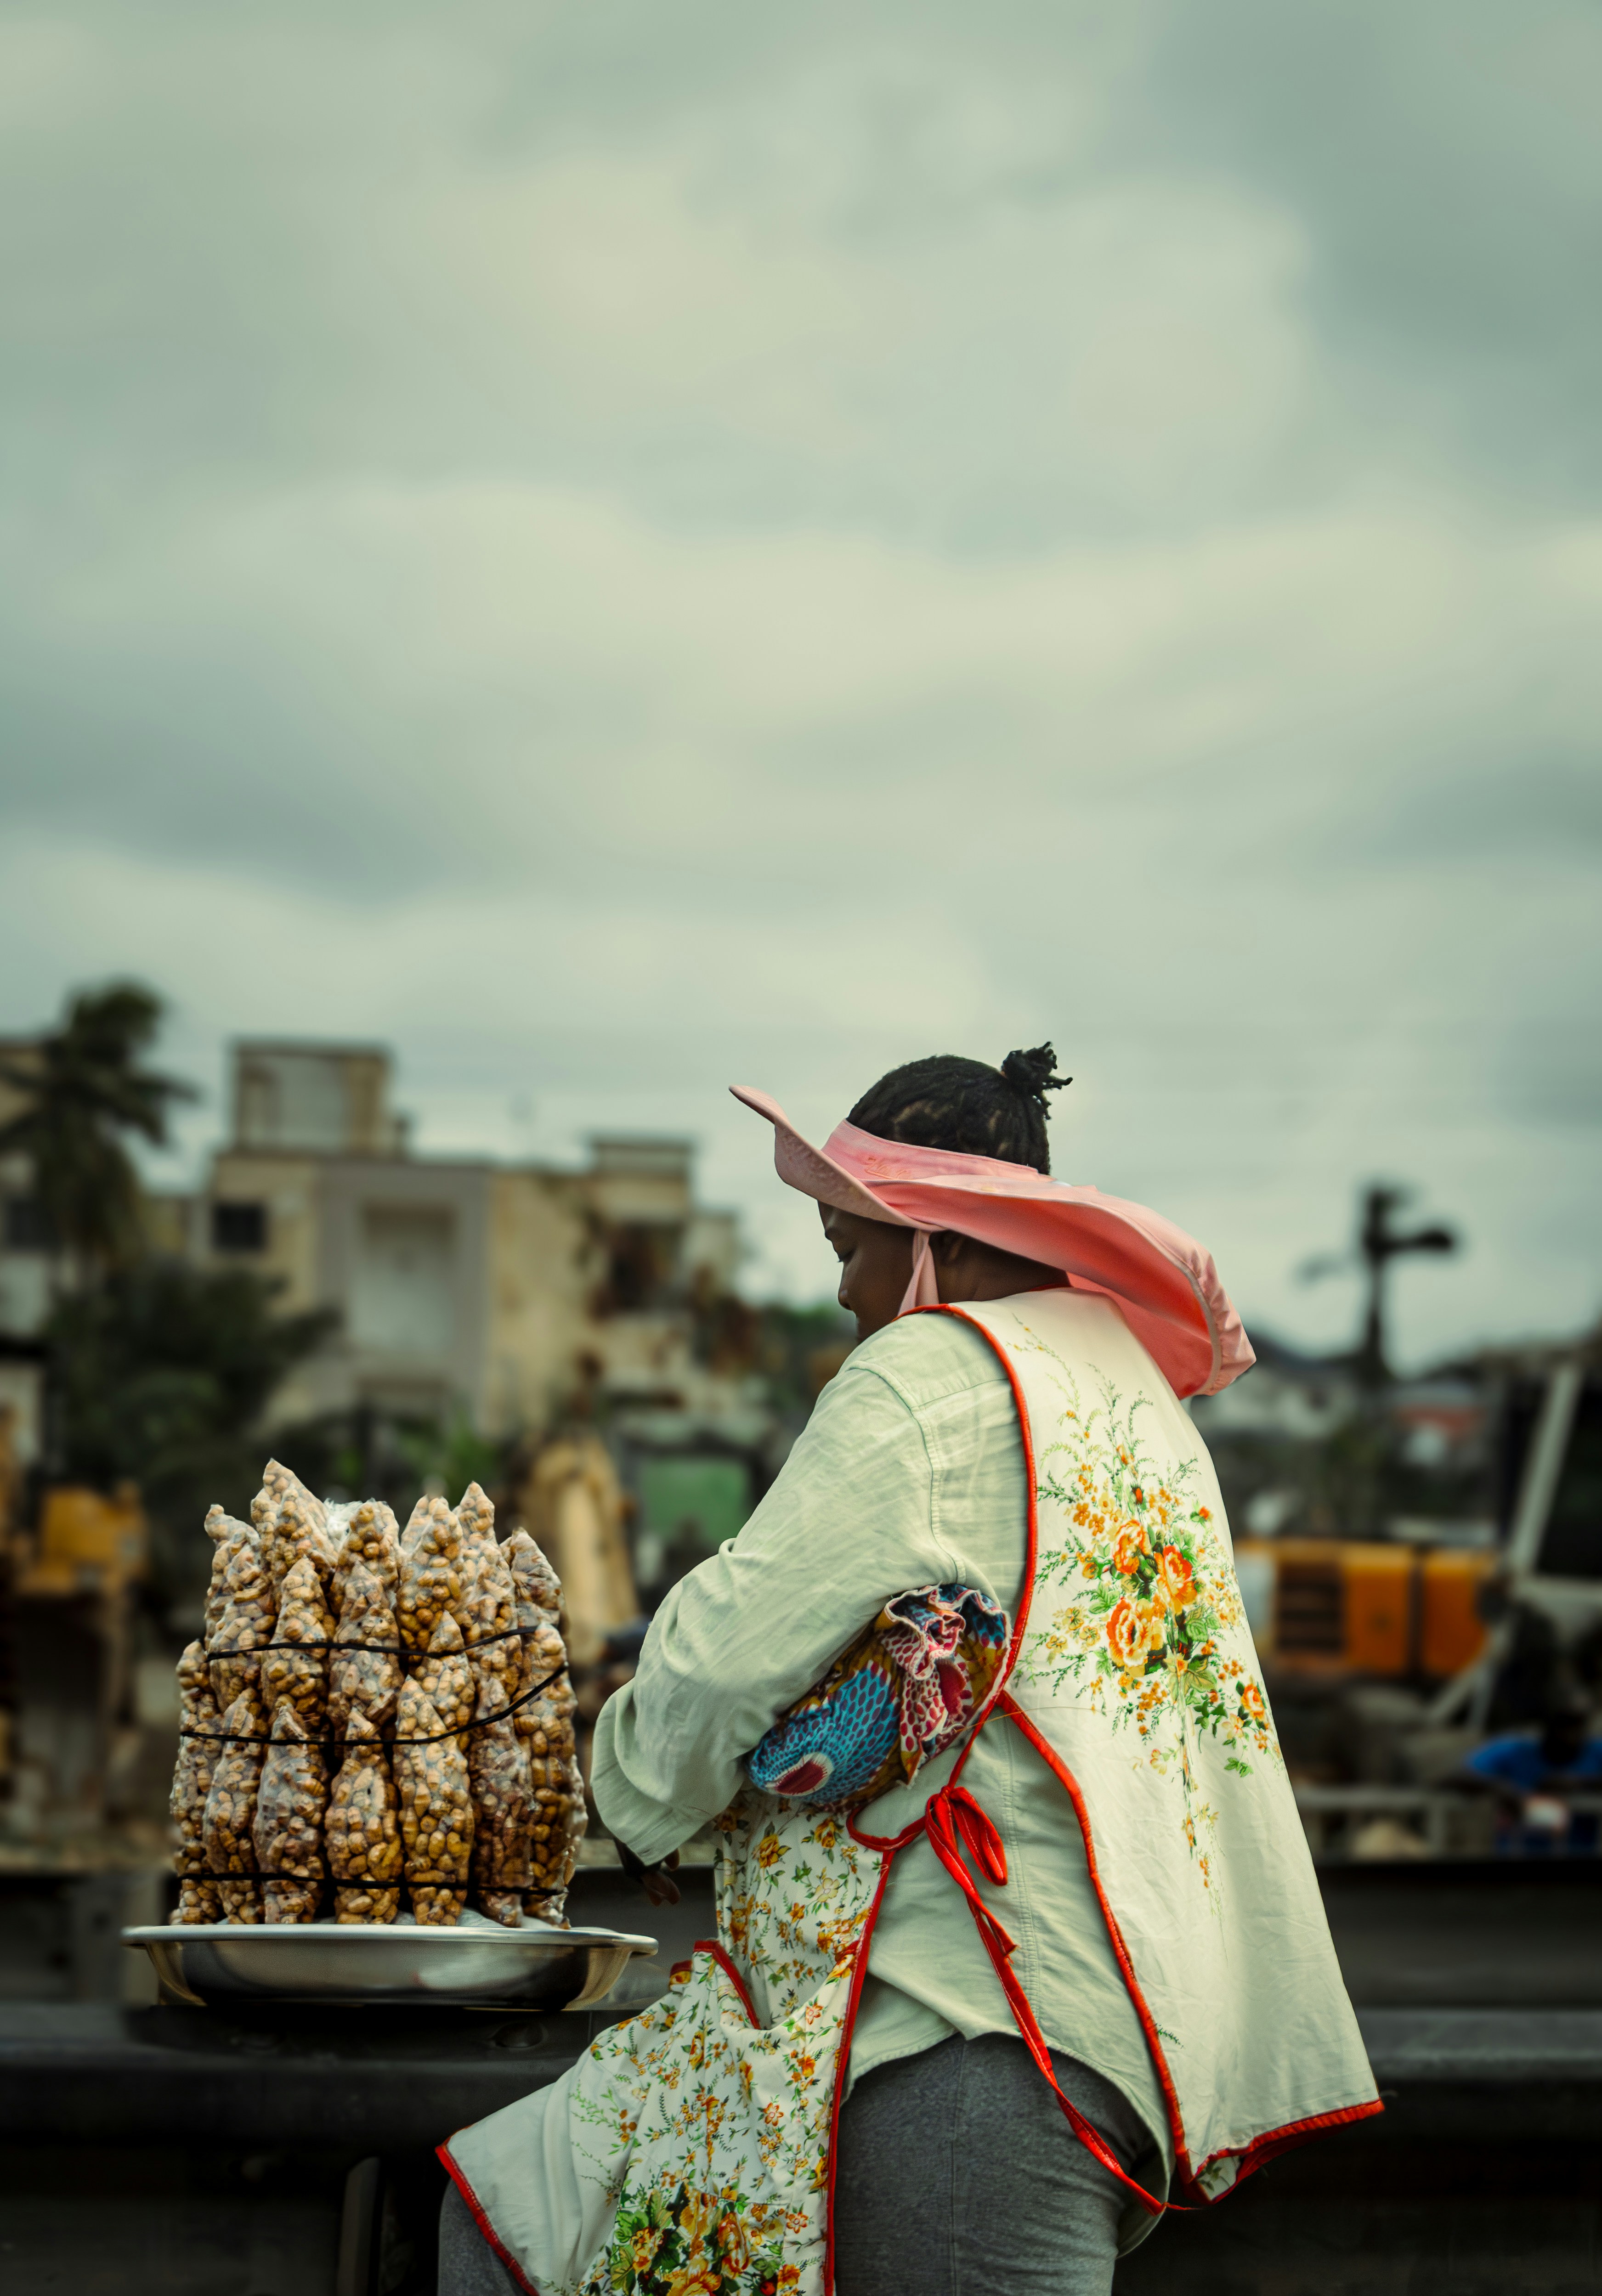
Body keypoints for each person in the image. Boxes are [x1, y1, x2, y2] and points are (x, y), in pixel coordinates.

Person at [438, 1047, 1378, 2296]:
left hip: (964, 2032)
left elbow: (721, 1658)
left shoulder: (932, 1368)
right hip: (1105, 2032)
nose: (841, 1288)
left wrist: (629, 1791)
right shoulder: (1135, 1398)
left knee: (511, 2215)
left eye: (846, 1242)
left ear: (926, 1233)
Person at [1459, 1691, 1602, 1855]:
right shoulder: (1514, 1749)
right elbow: (1459, 1775)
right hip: (1517, 1857)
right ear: (1546, 1723)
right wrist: (1502, 1789)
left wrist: (1581, 1783)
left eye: (1576, 1724)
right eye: (1562, 1723)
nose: (1568, 1734)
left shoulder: (1597, 1752)